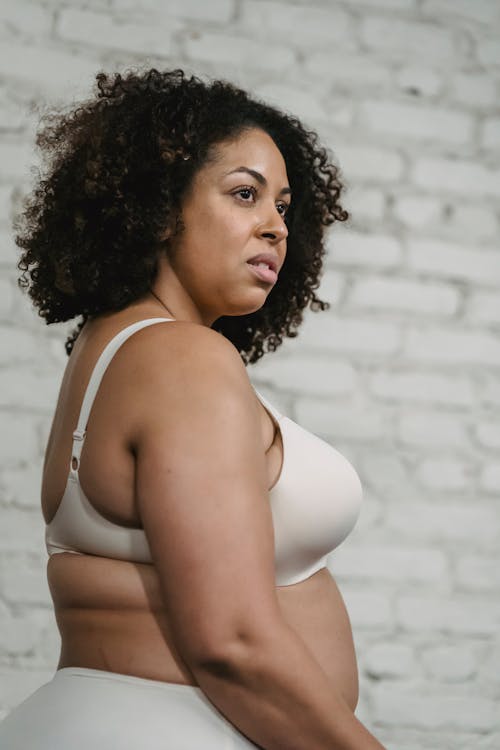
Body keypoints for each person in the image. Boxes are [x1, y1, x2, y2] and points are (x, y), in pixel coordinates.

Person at [0, 67, 385, 749]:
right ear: (159, 204)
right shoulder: (183, 359)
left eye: (284, 208)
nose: (275, 228)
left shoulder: (112, 349)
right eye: (245, 194)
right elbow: (231, 643)